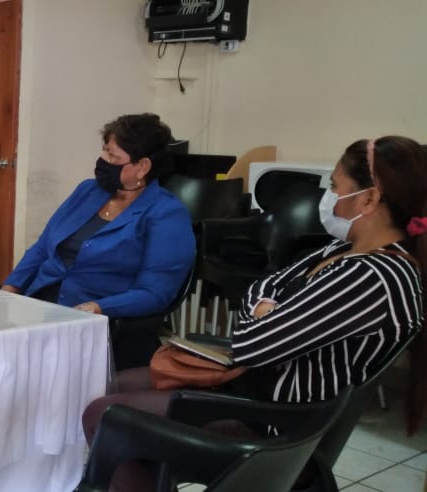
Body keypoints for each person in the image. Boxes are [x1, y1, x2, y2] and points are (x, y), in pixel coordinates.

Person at [81, 136, 427, 491]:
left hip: (275, 424)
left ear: (369, 199)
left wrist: (265, 314)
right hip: (252, 387)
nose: (329, 197)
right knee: (114, 387)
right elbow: (260, 289)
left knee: (106, 416)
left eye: (335, 187)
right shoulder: (342, 250)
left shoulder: (374, 277)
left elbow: (251, 344)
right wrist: (266, 310)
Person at [1, 113, 194, 317]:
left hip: (99, 319)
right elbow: (42, 248)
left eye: (113, 157)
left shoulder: (167, 214)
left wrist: (99, 308)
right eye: (105, 152)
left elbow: (156, 293)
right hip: (40, 303)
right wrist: (9, 290)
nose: (104, 161)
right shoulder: (87, 191)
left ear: (142, 167)